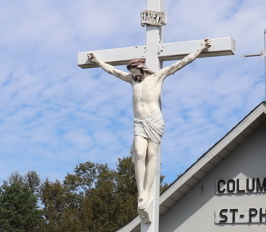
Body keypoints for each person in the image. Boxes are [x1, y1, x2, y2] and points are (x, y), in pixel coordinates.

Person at [87, 38, 211, 212]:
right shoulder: (132, 81)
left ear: (142, 67)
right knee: (139, 153)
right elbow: (113, 71)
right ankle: (142, 193)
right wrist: (98, 61)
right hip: (139, 122)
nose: (133, 73)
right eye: (131, 71)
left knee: (151, 153)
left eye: (135, 70)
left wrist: (200, 49)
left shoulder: (158, 76)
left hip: (154, 120)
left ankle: (148, 190)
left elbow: (182, 63)